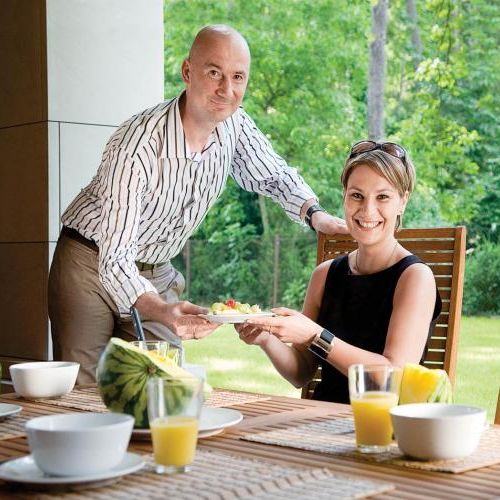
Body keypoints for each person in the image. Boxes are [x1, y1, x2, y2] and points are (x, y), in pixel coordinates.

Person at [48, 24, 347, 383]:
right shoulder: (138, 144)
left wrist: (315, 215)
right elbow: (115, 259)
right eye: (214, 73)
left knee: (162, 386)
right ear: (188, 72)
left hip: (156, 269)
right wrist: (162, 310)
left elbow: (273, 175)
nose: (227, 90)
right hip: (90, 263)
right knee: (82, 390)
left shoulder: (235, 125)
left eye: (238, 77)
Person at [236, 140, 442, 403]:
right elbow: (301, 372)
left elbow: (394, 377)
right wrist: (266, 337)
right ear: (344, 195)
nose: (368, 210)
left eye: (383, 197)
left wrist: (316, 335)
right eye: (357, 195)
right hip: (321, 417)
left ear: (403, 201)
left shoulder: (415, 277)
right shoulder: (325, 275)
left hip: (381, 423)